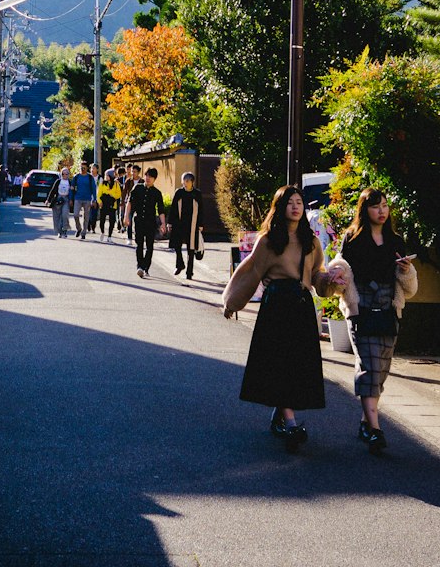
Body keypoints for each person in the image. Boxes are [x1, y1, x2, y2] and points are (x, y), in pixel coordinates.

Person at [222, 185, 337, 451]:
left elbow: (317, 275)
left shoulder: (311, 242)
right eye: (290, 203)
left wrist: (331, 280)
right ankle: (291, 422)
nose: (296, 207)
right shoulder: (268, 241)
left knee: (296, 364)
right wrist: (232, 302)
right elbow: (250, 271)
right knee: (280, 362)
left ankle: (280, 414)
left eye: (299, 202)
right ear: (280, 207)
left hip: (301, 305)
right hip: (276, 305)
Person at [333, 188, 418, 455]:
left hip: (388, 306)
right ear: (364, 210)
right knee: (369, 364)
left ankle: (365, 422)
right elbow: (342, 269)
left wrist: (405, 270)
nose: (381, 211)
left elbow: (407, 284)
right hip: (362, 305)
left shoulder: (395, 240)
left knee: (381, 369)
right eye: (375, 206)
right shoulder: (353, 238)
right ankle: (375, 428)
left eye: (384, 206)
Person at [127, 167, 166, 278]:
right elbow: (129, 202)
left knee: (150, 246)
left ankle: (146, 267)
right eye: (147, 175)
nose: (148, 178)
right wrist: (126, 217)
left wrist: (163, 224)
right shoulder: (137, 188)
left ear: (154, 179)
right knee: (139, 244)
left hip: (150, 222)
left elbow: (161, 209)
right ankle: (140, 266)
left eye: (151, 177)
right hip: (139, 220)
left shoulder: (157, 193)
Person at [168, 170, 202, 281]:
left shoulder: (197, 194)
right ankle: (180, 264)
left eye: (187, 181)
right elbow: (173, 208)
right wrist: (170, 222)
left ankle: (189, 272)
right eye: (184, 180)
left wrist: (201, 224)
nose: (185, 183)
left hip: (192, 224)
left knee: (191, 248)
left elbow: (201, 210)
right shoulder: (179, 192)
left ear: (192, 182)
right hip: (179, 223)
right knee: (177, 245)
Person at [71, 160, 97, 239]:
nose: (82, 169)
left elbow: (93, 189)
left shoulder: (90, 177)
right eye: (81, 167)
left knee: (86, 216)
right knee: (75, 215)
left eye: (84, 168)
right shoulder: (76, 177)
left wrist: (94, 199)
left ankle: (84, 232)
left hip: (87, 199)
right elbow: (72, 188)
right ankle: (79, 228)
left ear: (87, 168)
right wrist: (71, 199)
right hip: (78, 198)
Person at [46, 164, 72, 238]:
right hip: (58, 199)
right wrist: (48, 200)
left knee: (65, 215)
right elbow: (53, 191)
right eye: (63, 173)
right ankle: (59, 232)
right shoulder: (58, 181)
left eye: (67, 173)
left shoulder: (70, 182)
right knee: (57, 216)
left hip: (66, 199)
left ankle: (64, 230)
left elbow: (73, 192)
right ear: (61, 174)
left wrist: (72, 200)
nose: (65, 175)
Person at [97, 168, 122, 239]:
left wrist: (112, 196)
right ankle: (102, 232)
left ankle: (109, 236)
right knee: (102, 221)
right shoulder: (102, 184)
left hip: (112, 205)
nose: (106, 177)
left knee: (112, 221)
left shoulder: (116, 184)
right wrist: (100, 202)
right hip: (103, 204)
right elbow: (98, 194)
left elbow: (119, 194)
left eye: (107, 175)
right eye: (105, 175)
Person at [121, 164, 141, 244]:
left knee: (138, 221)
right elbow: (124, 192)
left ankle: (137, 236)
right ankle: (129, 238)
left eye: (135, 171)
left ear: (138, 172)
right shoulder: (128, 181)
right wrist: (122, 202)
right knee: (129, 220)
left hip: (139, 203)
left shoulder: (142, 181)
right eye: (132, 171)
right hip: (130, 202)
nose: (133, 173)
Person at [88, 163, 101, 235]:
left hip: (96, 198)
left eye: (94, 168)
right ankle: (88, 226)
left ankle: (93, 227)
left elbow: (100, 189)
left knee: (94, 214)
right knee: (88, 213)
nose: (92, 170)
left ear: (97, 169)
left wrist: (96, 199)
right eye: (91, 168)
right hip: (87, 197)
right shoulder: (88, 177)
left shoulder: (100, 178)